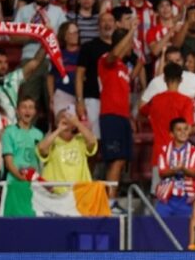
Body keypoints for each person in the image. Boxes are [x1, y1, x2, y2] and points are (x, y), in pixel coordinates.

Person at [98, 24, 138, 202]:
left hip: (122, 118)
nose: (131, 47)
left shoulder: (123, 68)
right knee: (116, 159)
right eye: (129, 43)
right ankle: (110, 201)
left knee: (121, 160)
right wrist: (131, 31)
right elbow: (114, 54)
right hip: (111, 116)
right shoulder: (106, 59)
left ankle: (111, 198)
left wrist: (129, 117)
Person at [153, 118, 195, 219]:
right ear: (171, 134)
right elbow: (162, 172)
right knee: (159, 224)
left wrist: (183, 168)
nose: (183, 132)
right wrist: (174, 170)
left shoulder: (194, 151)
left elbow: (194, 173)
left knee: (185, 228)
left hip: (187, 197)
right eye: (179, 130)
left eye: (185, 129)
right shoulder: (164, 150)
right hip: (167, 197)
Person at [37, 108, 99, 186]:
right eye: (62, 118)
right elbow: (42, 148)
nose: (66, 120)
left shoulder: (81, 140)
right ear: (57, 123)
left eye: (69, 118)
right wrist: (59, 129)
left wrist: (78, 124)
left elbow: (92, 142)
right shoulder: (52, 141)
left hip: (80, 193)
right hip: (56, 194)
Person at [1, 97, 45, 180]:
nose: (27, 111)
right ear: (17, 111)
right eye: (24, 107)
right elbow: (8, 163)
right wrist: (22, 178)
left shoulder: (39, 134)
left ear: (35, 111)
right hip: (14, 182)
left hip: (34, 184)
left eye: (31, 107)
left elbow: (42, 162)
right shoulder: (9, 132)